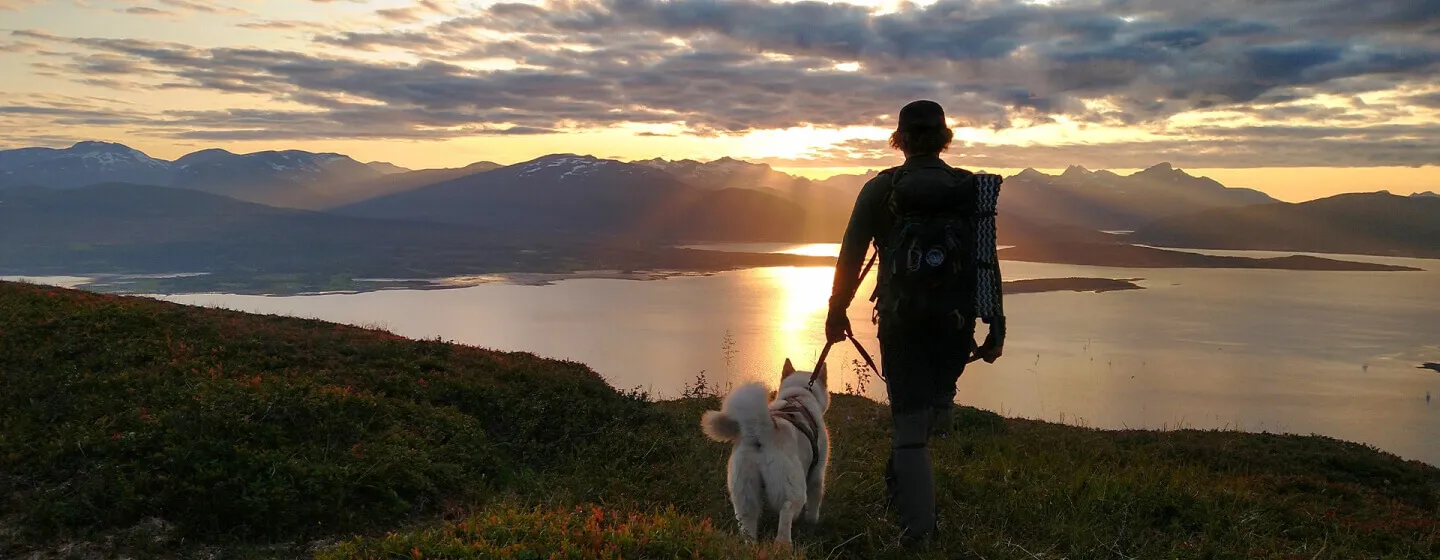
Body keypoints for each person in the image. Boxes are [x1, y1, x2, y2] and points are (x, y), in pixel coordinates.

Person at [824, 99, 1005, 542]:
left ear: (900, 139)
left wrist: (836, 308)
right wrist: (995, 322)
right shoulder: (967, 189)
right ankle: (900, 489)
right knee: (925, 411)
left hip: (902, 322)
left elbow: (851, 254)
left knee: (907, 423)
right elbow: (985, 259)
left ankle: (920, 532)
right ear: (944, 139)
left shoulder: (882, 189)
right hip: (954, 324)